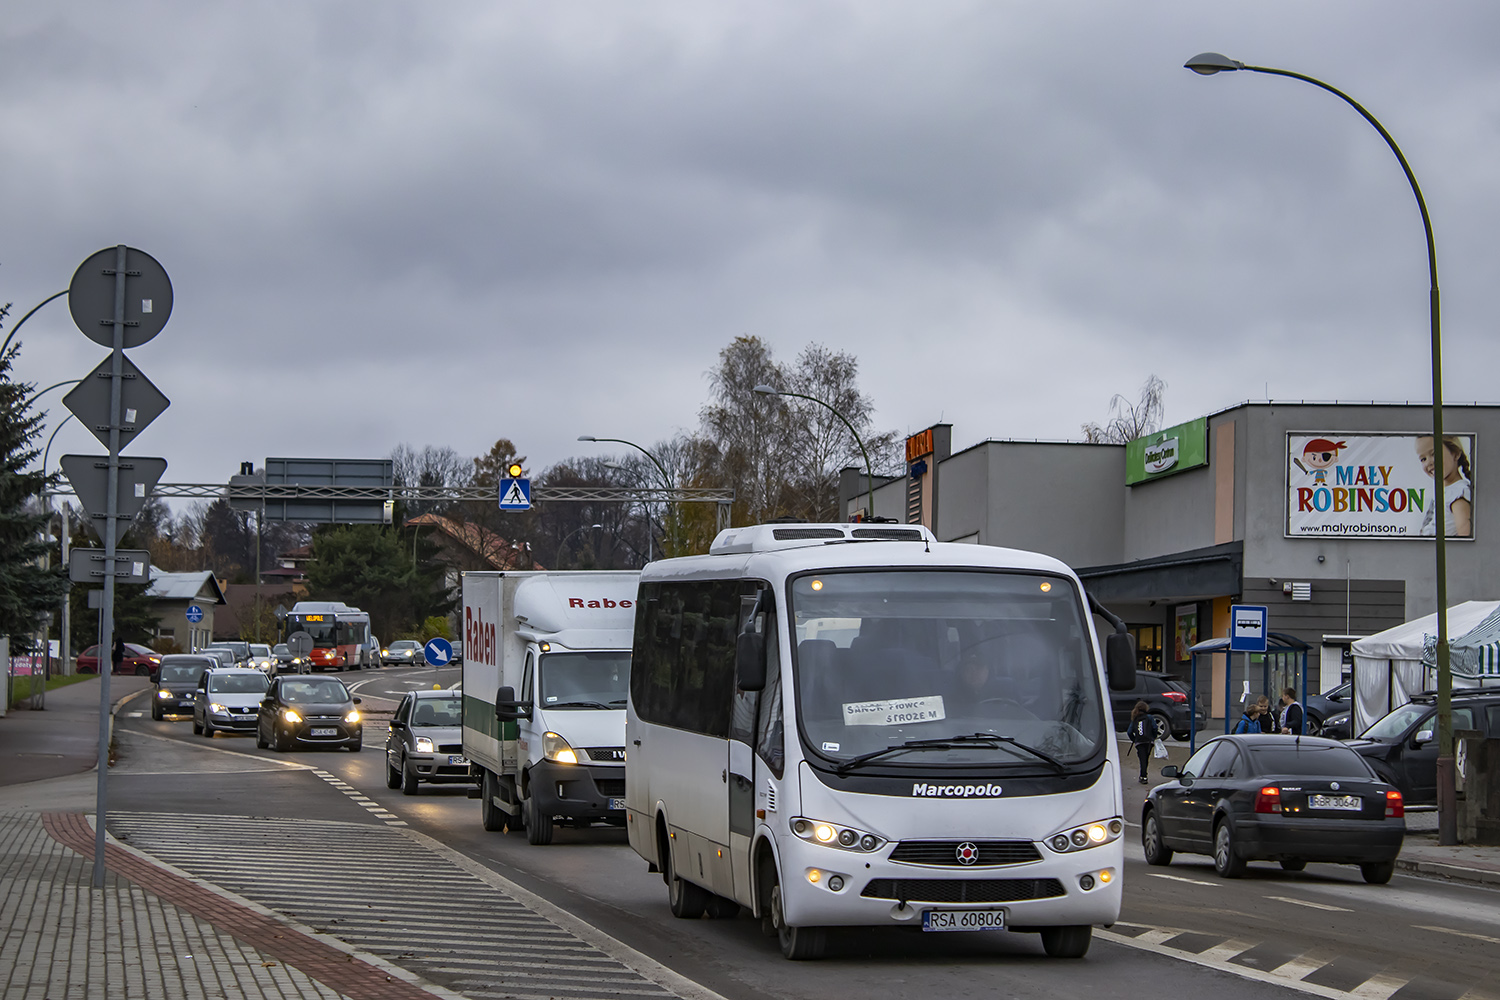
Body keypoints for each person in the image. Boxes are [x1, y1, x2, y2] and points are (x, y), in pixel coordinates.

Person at [1416, 434, 1473, 538]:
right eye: (1423, 459)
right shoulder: (1446, 492)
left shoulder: (1458, 493)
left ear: (1455, 454)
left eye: (1434, 454)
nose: (1429, 462)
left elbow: (1465, 538)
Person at [1127, 701, 1158, 784]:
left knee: (1142, 759)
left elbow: (1129, 732)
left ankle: (1143, 776)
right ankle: (1144, 775)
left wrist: (1134, 739)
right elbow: (1155, 727)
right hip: (1149, 741)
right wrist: (1153, 737)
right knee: (1146, 758)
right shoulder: (1149, 717)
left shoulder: (1135, 718)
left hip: (1139, 742)